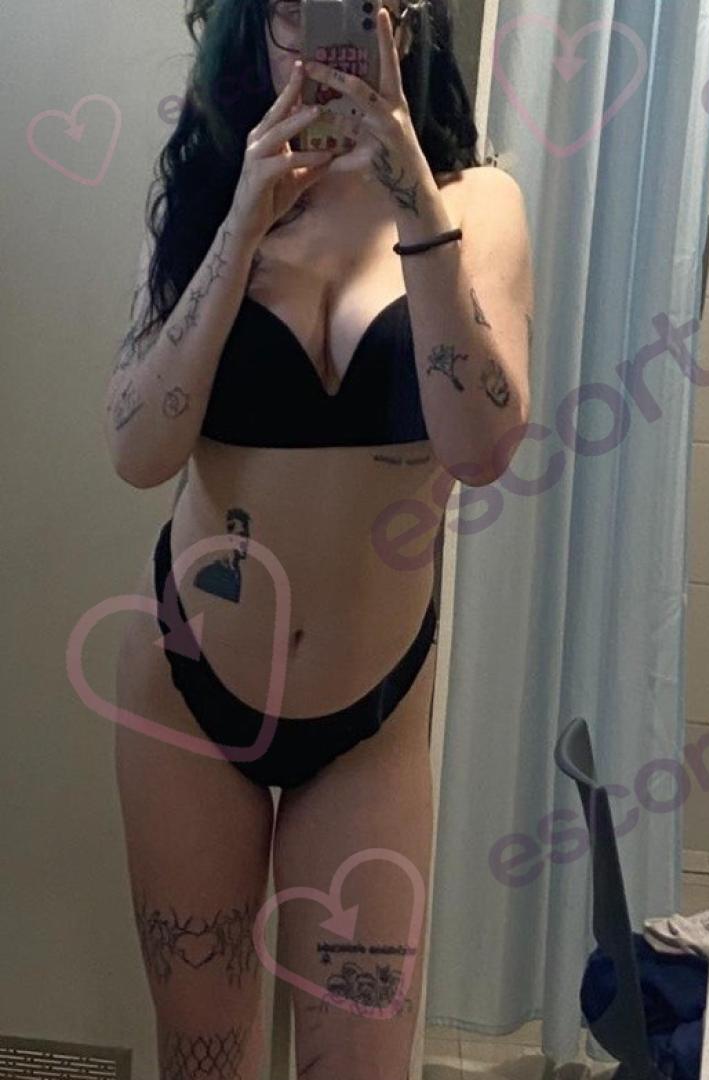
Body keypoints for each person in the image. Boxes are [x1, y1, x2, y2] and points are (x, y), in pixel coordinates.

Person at [104, 1, 534, 1076]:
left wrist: (411, 199)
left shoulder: (476, 203)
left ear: (403, 27)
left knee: (360, 1066)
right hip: (188, 689)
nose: (316, 43)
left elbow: (480, 447)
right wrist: (241, 223)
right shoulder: (209, 190)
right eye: (290, 11)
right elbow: (138, 450)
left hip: (367, 716)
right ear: (252, 28)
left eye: (349, 8)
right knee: (202, 1055)